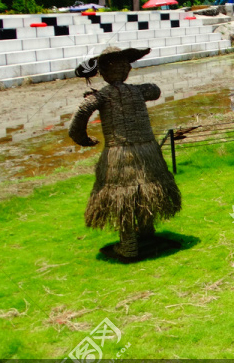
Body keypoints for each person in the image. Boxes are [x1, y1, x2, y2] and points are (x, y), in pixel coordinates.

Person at [69, 47, 182, 260]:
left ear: (102, 72)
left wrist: (84, 140)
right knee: (143, 187)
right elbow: (155, 90)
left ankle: (129, 244)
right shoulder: (137, 91)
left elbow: (78, 122)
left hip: (120, 152)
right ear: (126, 69)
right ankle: (146, 231)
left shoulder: (101, 96)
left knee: (125, 194)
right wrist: (134, 89)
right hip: (146, 150)